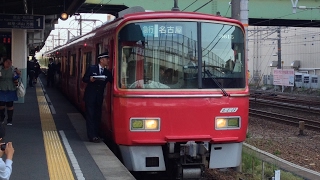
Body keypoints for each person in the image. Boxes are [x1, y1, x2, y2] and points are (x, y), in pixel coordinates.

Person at [82, 52, 112, 143]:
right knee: (90, 116)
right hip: (90, 96)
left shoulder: (107, 72)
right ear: (101, 60)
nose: (108, 61)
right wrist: (90, 79)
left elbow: (112, 80)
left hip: (99, 98)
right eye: (106, 59)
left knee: (97, 116)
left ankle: (96, 134)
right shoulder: (92, 68)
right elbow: (84, 79)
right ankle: (92, 136)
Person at [0, 58, 21, 125]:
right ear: (4, 62)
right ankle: (1, 119)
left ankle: (9, 120)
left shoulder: (13, 69)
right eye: (7, 62)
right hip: (1, 89)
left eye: (10, 62)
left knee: (10, 105)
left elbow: (16, 77)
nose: (9, 63)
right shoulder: (0, 69)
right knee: (1, 105)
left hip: (11, 89)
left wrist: (18, 74)